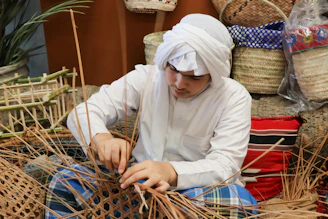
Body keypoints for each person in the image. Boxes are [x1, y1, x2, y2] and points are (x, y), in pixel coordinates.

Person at [45, 13, 257, 218]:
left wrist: (169, 171)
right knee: (64, 182)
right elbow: (83, 112)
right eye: (174, 69)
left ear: (213, 73)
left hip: (195, 194)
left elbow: (225, 165)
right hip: (136, 188)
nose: (179, 83)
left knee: (241, 202)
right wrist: (102, 139)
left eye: (194, 77)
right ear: (166, 60)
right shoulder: (145, 78)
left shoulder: (233, 97)